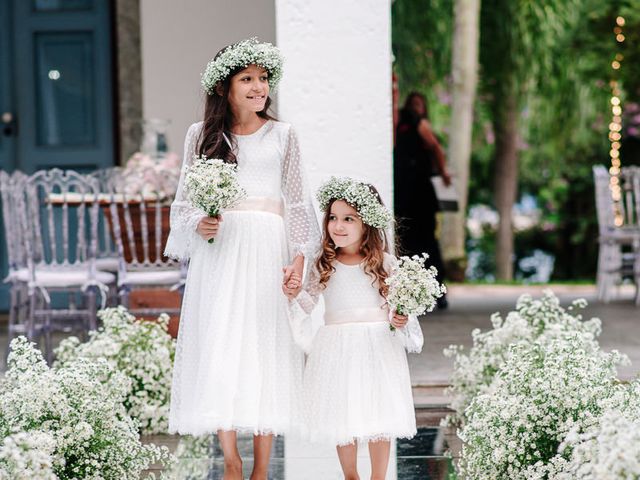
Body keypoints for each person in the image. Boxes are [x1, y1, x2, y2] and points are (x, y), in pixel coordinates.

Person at [164, 38, 319, 480]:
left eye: (263, 78)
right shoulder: (202, 136)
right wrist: (200, 222)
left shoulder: (283, 135)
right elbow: (182, 204)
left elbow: (298, 203)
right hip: (222, 252)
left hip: (268, 250)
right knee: (222, 345)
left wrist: (298, 262)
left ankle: (263, 467)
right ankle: (231, 459)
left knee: (265, 348)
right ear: (224, 87)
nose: (258, 87)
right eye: (246, 79)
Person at [284, 177, 423, 480]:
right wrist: (294, 294)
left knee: (378, 413)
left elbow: (401, 310)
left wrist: (400, 319)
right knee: (342, 414)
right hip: (337, 347)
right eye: (333, 218)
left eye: (349, 219)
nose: (338, 226)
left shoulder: (385, 265)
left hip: (377, 348)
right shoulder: (324, 263)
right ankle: (351, 476)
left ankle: (378, 477)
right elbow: (307, 303)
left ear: (368, 223)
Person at [394, 92, 450, 309]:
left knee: (426, 242)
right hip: (406, 193)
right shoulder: (402, 122)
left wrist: (443, 171)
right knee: (407, 241)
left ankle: (437, 290)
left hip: (419, 195)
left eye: (420, 104)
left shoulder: (420, 125)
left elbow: (436, 147)